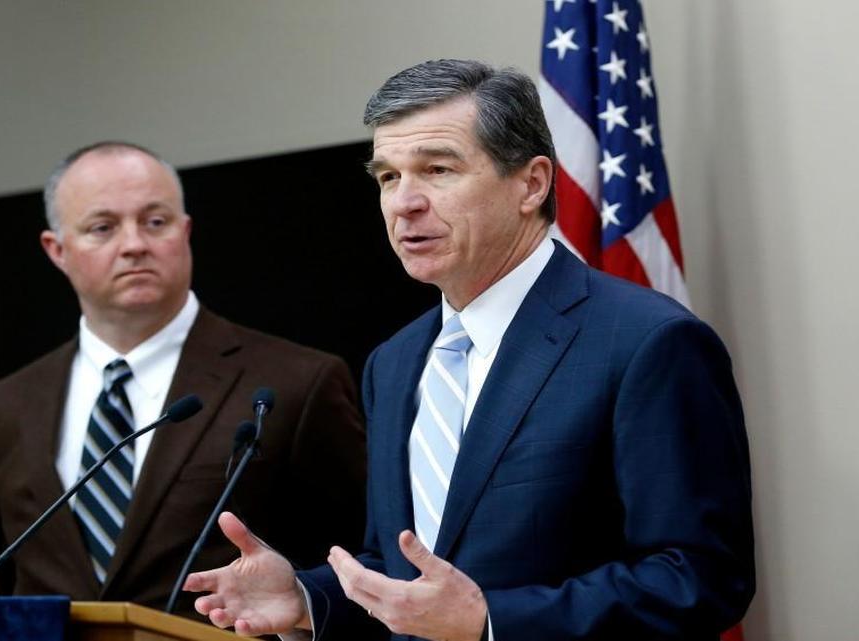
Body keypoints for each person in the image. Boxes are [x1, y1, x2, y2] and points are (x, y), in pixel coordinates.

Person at [185, 59, 754, 640]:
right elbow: (402, 572)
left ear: (532, 184)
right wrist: (307, 598)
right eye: (387, 177)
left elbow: (699, 579)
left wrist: (491, 623)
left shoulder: (646, 342)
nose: (404, 202)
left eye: (437, 169)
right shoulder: (396, 361)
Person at [0, 141, 368, 619]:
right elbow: (7, 573)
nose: (134, 244)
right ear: (56, 250)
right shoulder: (2, 407)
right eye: (103, 228)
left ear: (185, 231)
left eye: (155, 222)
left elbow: (358, 563)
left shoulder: (295, 383)